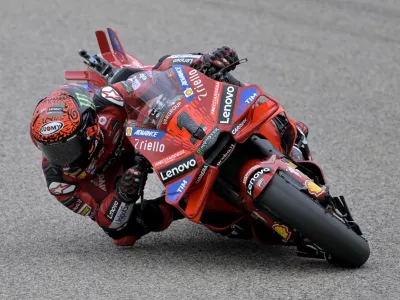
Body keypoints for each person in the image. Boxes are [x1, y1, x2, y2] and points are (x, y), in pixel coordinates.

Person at [30, 47, 311, 246]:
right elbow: (109, 224)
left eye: (67, 148)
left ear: (89, 128)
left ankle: (272, 121)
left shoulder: (105, 101)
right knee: (125, 234)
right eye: (51, 151)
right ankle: (182, 206)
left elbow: (155, 73)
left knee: (182, 71)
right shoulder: (60, 182)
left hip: (143, 137)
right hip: (119, 175)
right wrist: (123, 195)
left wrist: (204, 61)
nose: (62, 159)